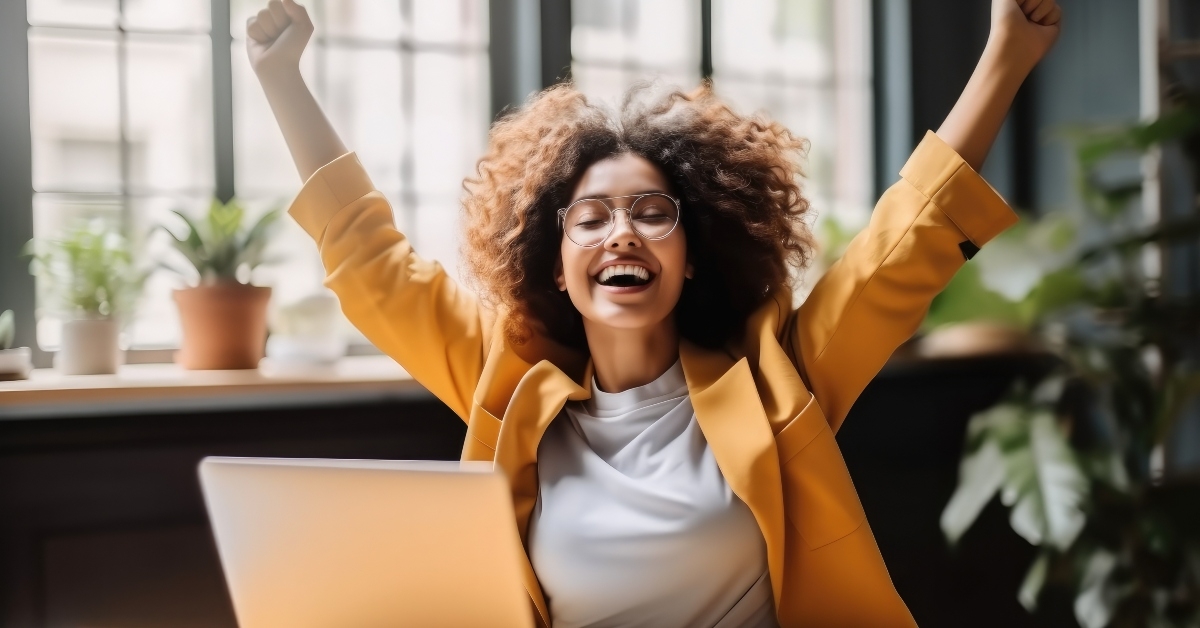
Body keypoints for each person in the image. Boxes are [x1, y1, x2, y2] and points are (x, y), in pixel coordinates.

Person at [246, 0, 1061, 625]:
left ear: (694, 251)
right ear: (555, 263)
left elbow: (900, 252)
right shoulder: (511, 387)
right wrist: (282, 80)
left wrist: (1004, 56)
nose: (622, 232)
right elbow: (374, 267)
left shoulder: (777, 384)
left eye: (652, 212)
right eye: (591, 218)